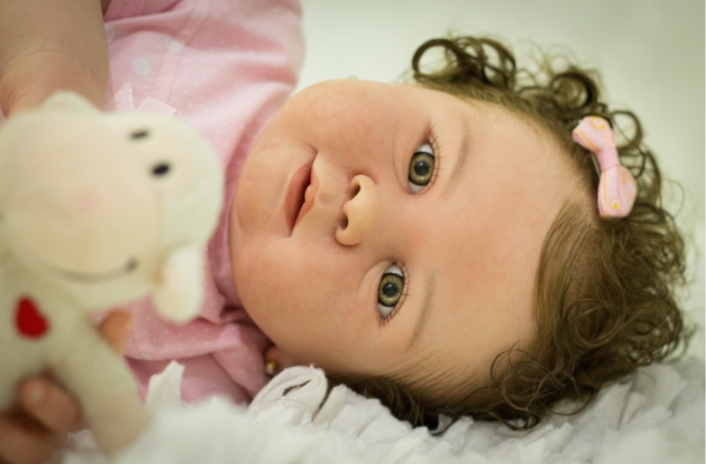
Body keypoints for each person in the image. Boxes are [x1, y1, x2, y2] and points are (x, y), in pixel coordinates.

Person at [0, 1, 688, 463]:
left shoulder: (196, 392)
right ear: (419, 83)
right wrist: (47, 39)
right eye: (423, 164)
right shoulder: (229, 26)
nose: (364, 212)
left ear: (312, 373)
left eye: (392, 289)